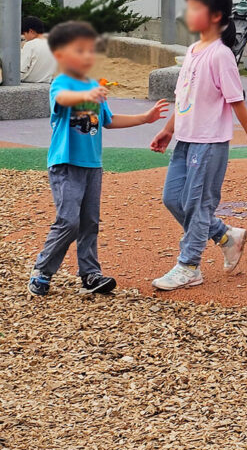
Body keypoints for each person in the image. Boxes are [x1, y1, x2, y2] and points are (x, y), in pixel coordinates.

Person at [27, 21, 168, 297]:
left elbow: (108, 120)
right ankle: (42, 270)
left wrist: (144, 118)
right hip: (66, 164)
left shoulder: (93, 85)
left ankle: (90, 274)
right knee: (69, 221)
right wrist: (86, 94)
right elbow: (64, 99)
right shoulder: (62, 83)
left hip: (92, 165)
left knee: (90, 221)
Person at [149, 0, 247, 291]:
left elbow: (236, 100)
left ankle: (189, 266)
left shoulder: (221, 55)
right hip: (186, 140)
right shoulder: (192, 50)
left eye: (195, 8)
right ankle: (227, 237)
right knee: (173, 198)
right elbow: (184, 97)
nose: (188, 13)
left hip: (209, 142)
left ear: (216, 16)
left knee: (198, 205)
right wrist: (168, 129)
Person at [20, 16, 57, 83]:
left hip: (28, 83)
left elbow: (21, 69)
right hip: (47, 83)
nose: (25, 37)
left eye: (24, 34)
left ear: (31, 31)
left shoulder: (30, 44)